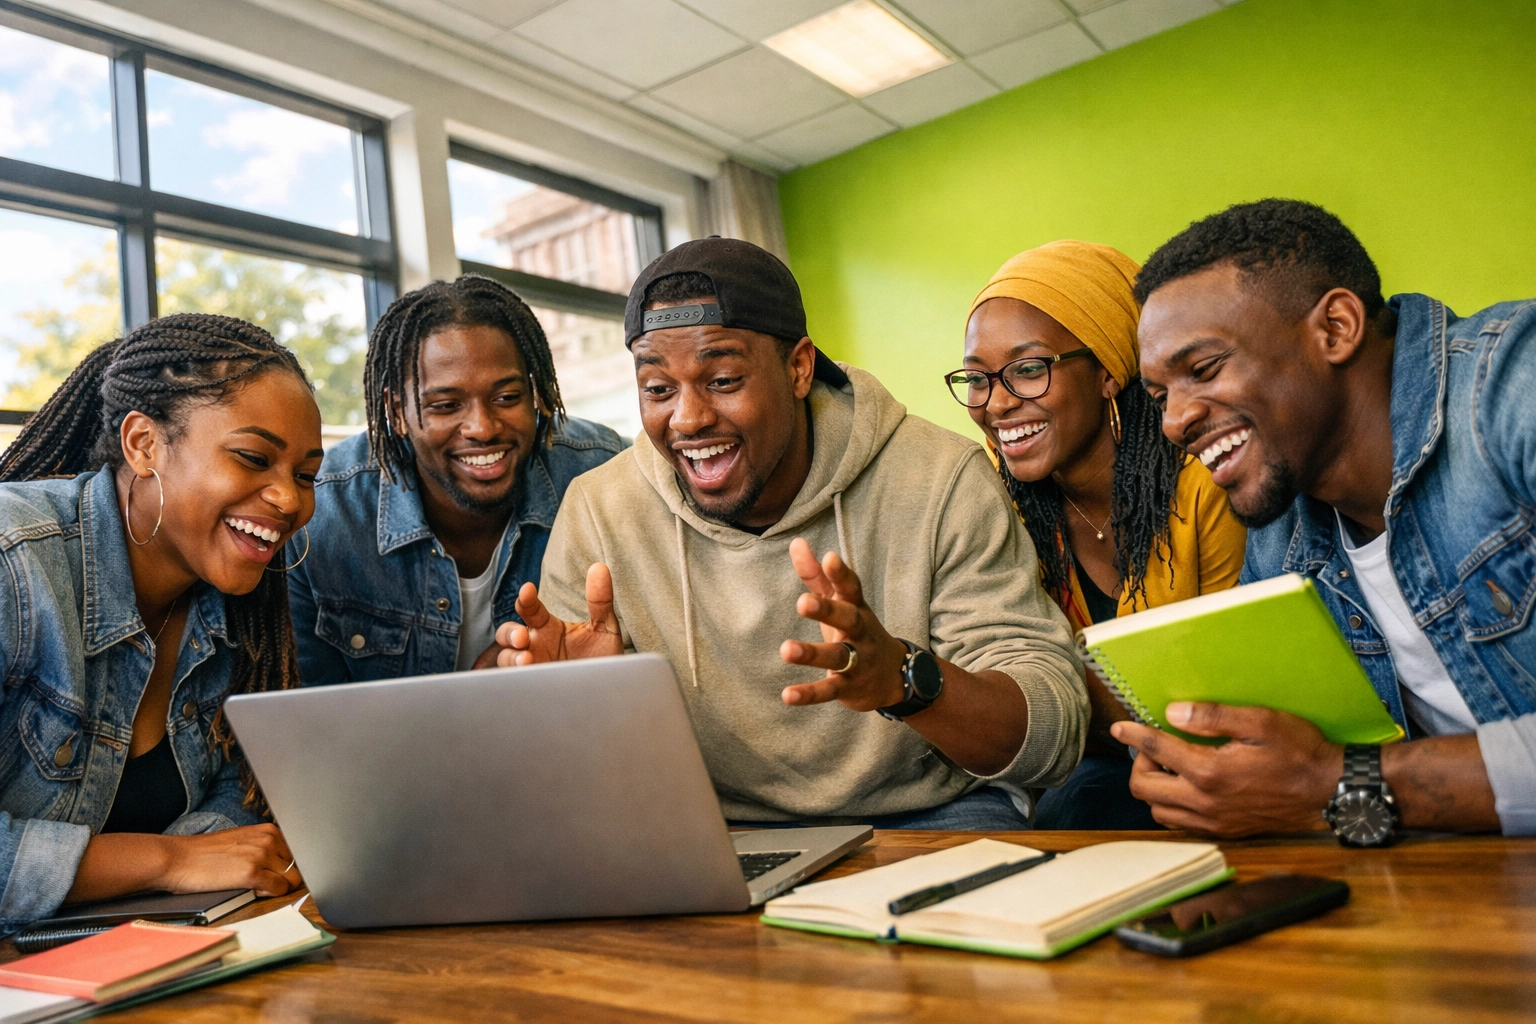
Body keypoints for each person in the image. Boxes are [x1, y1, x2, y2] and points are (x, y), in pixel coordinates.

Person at [497, 237, 1088, 830]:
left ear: (799, 367)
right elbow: (573, 787)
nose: (687, 418)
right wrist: (580, 706)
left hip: (929, 811)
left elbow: (1054, 733)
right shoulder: (601, 509)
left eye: (724, 379)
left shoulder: (940, 477)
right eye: (658, 389)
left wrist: (903, 681)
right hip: (713, 826)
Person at [1125, 198, 1536, 841]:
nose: (1174, 421)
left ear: (1337, 328)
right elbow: (1270, 762)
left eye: (1203, 369)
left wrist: (1346, 785)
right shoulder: (1279, 539)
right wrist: (1203, 769)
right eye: (1159, 396)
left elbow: (1316, 782)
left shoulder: (1515, 386)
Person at [0, 313, 315, 931]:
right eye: (254, 458)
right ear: (143, 445)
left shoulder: (236, 602)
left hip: (134, 959)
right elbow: (187, 862)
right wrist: (165, 861)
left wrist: (204, 859)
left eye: (304, 474)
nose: (289, 499)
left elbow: (236, 801)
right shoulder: (15, 564)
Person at [955, 241, 1246, 829]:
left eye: (1029, 369)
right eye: (978, 380)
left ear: (1110, 370)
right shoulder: (999, 511)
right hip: (1098, 770)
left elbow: (1234, 685)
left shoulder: (1206, 486)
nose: (998, 403)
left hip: (1224, 761)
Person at [288, 276, 623, 683]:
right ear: (396, 412)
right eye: (446, 405)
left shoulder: (604, 476)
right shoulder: (324, 514)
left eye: (507, 398)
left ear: (536, 393)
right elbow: (308, 707)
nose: (482, 427)